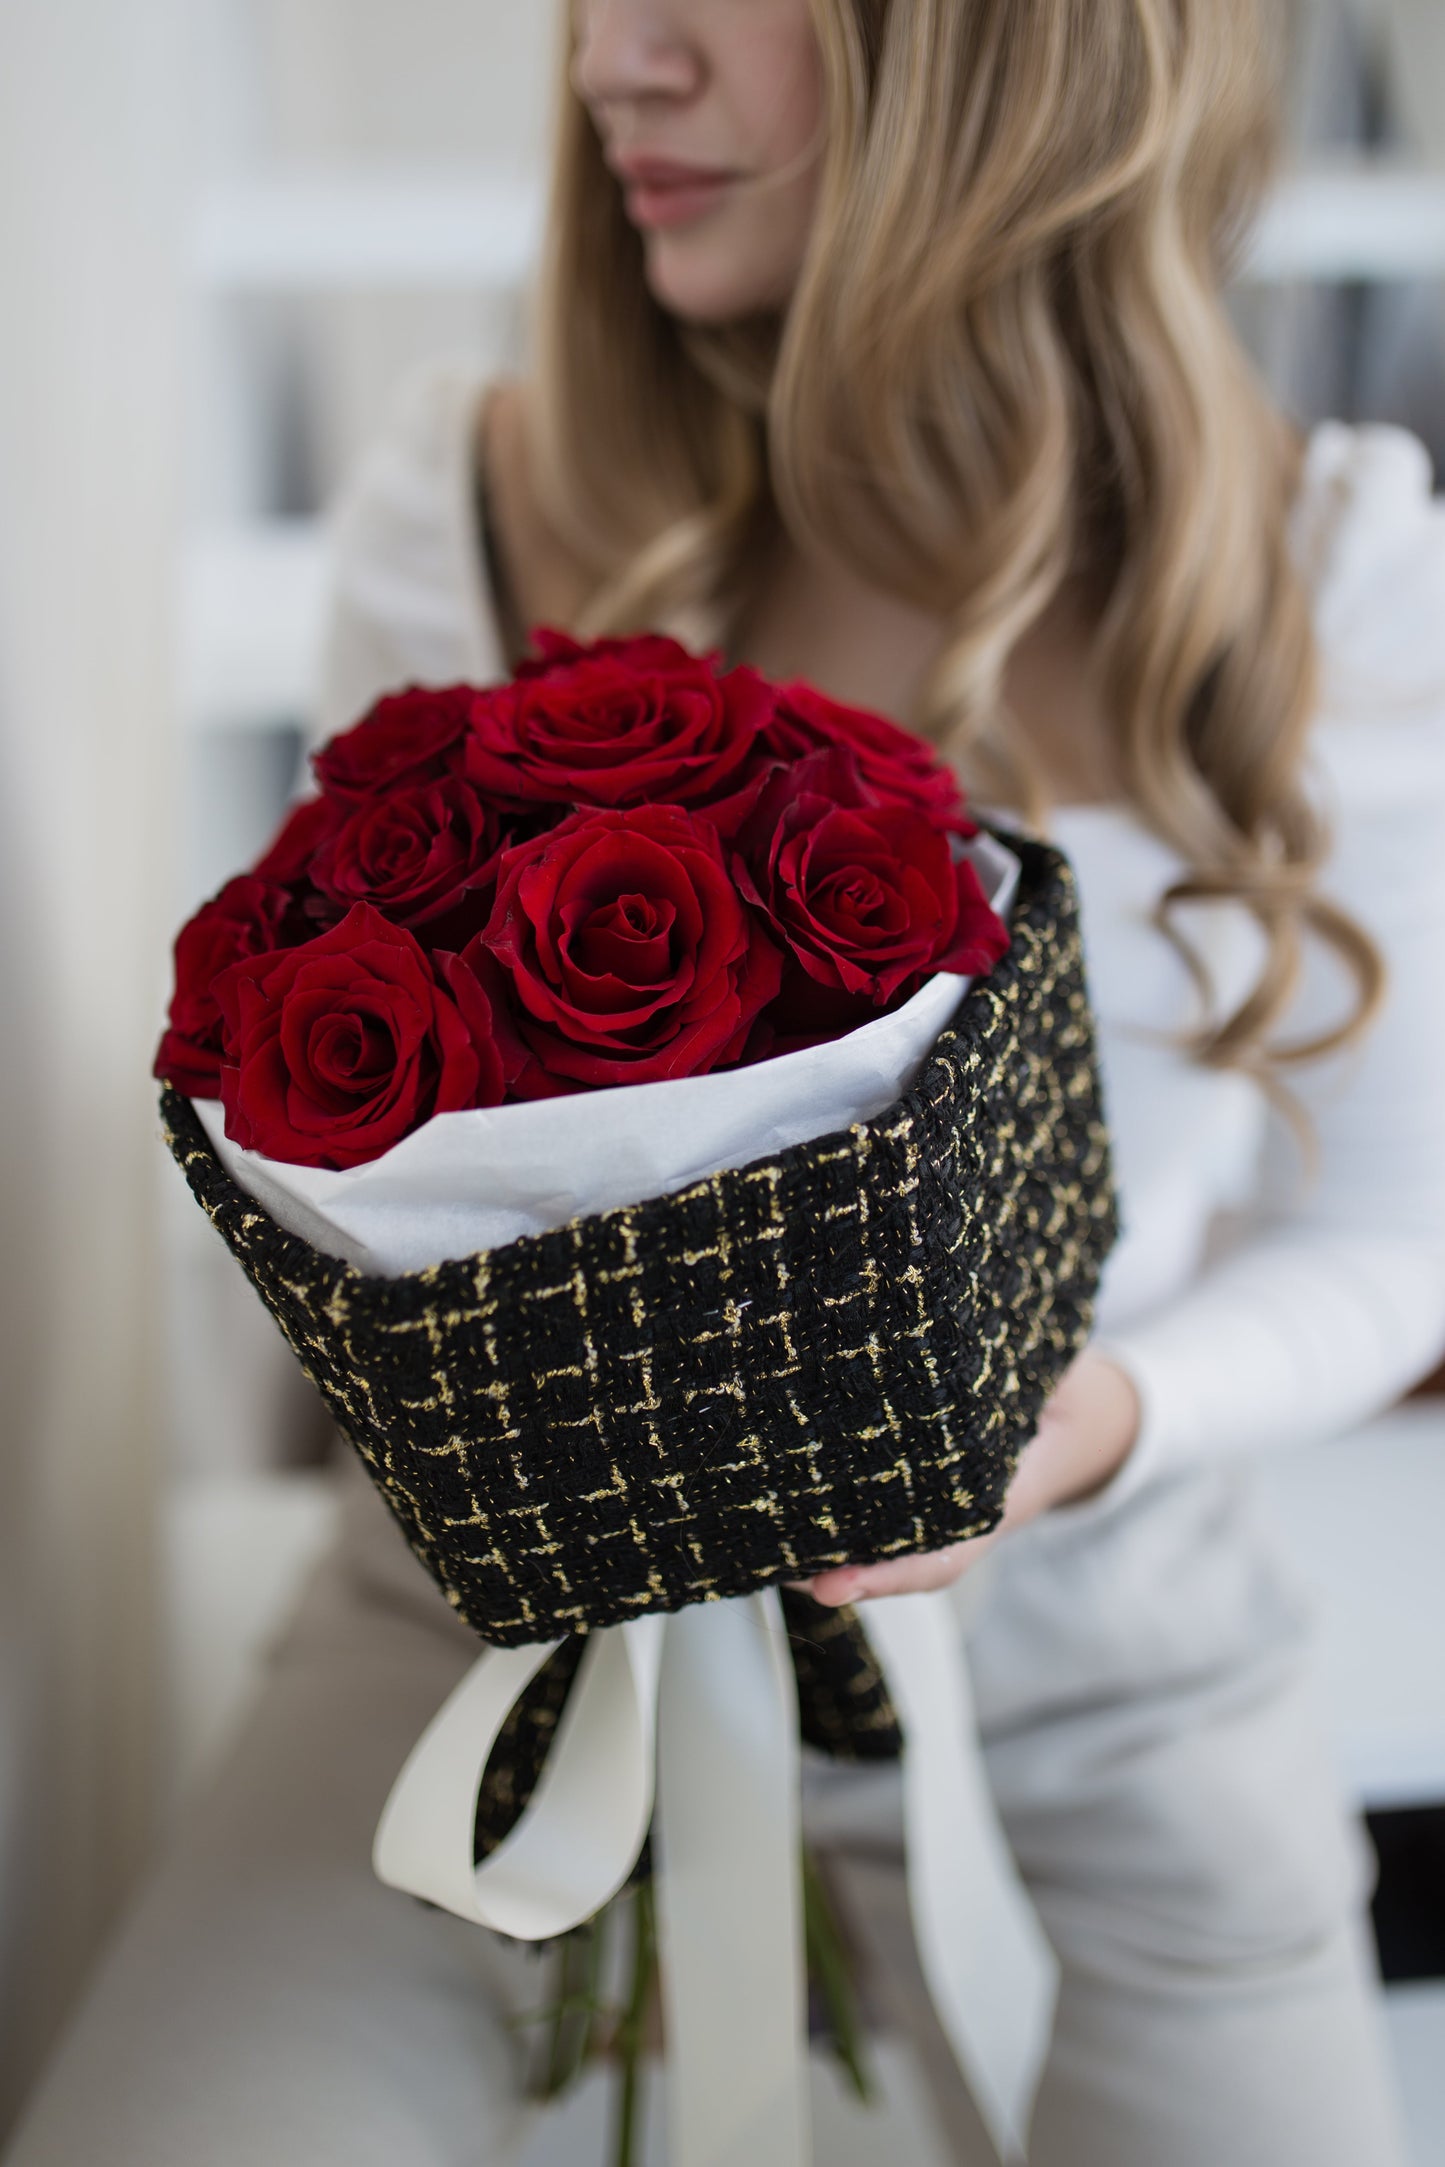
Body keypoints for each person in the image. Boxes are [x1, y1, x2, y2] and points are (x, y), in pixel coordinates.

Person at [8, 4, 1444, 2164]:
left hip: (1104, 1673)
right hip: (482, 1637)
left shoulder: (1326, 561)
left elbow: (1401, 1231)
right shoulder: (472, 504)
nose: (613, 65)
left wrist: (1087, 1430)